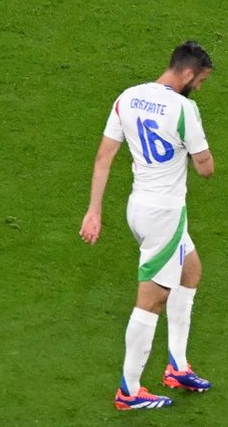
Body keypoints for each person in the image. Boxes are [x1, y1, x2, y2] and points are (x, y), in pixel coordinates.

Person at [80, 40, 216, 412]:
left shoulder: (128, 97)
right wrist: (196, 154)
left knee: (191, 271)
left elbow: (103, 157)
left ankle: (177, 365)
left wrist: (94, 211)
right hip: (164, 215)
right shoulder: (184, 109)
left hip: (138, 207)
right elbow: (206, 169)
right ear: (187, 73)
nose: (199, 87)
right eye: (201, 80)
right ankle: (129, 389)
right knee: (151, 301)